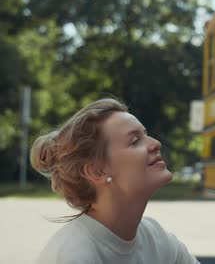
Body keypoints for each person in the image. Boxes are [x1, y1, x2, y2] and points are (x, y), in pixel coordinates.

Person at [30, 98, 200, 264]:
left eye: (146, 135)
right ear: (97, 171)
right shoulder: (71, 256)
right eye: (135, 141)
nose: (156, 143)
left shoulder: (156, 239)